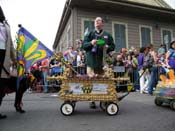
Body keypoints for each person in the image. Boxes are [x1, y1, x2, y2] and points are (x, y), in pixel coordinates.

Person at [82, 17, 115, 108]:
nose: (96, 21)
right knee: (91, 81)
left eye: (99, 20)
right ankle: (91, 100)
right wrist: (91, 43)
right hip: (91, 62)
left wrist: (108, 47)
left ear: (102, 23)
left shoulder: (107, 35)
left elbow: (113, 46)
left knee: (103, 81)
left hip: (102, 63)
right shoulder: (89, 34)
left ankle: (103, 99)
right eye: (95, 20)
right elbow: (83, 46)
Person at [0, 6, 16, 119]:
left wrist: (15, 60)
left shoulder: (5, 25)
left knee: (0, 88)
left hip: (3, 57)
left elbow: (10, 44)